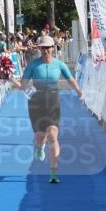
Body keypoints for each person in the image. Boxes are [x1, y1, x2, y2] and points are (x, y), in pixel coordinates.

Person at [15, 34, 85, 184]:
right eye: (42, 48)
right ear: (39, 49)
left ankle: (53, 171)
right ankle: (40, 147)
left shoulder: (59, 65)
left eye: (48, 48)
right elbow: (23, 84)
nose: (45, 51)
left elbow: (70, 79)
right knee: (40, 136)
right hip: (36, 102)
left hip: (53, 101)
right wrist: (10, 78)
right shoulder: (33, 65)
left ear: (53, 48)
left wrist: (79, 91)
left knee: (53, 135)